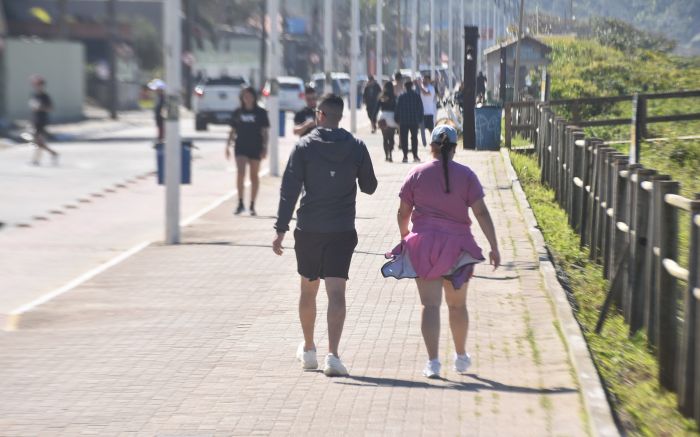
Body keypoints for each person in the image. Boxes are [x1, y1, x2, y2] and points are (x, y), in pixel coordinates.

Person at [273, 94, 377, 377]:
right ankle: (333, 355)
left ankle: (309, 350)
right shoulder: (356, 147)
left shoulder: (304, 146)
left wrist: (280, 230)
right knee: (336, 292)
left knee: (308, 290)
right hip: (341, 229)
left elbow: (289, 191)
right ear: (340, 116)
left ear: (319, 115)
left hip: (309, 229)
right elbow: (370, 186)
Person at [385, 124, 500, 378]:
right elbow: (480, 211)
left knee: (430, 305)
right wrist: (494, 245)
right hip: (458, 247)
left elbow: (403, 213)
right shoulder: (467, 175)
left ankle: (433, 363)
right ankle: (460, 357)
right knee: (457, 306)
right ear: (455, 149)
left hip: (424, 246)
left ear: (432, 147)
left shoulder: (416, 173)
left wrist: (406, 239)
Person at [226, 86, 270, 216]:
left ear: (254, 97)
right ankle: (240, 202)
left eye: (249, 95)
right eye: (244, 96)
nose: (247, 98)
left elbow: (265, 132)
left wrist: (265, 147)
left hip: (256, 146)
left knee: (254, 176)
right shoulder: (238, 112)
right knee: (240, 173)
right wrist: (227, 145)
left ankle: (252, 204)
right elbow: (232, 130)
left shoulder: (260, 112)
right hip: (241, 146)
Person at [29, 76, 59, 166]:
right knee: (38, 142)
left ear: (42, 85)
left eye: (38, 84)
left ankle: (36, 159)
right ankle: (52, 153)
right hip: (35, 120)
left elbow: (51, 108)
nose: (36, 86)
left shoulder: (45, 96)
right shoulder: (34, 95)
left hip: (42, 121)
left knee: (38, 141)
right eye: (35, 84)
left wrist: (41, 107)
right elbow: (33, 108)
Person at [394, 81, 424, 163]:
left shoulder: (401, 97)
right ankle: (415, 156)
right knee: (414, 138)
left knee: (404, 139)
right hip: (414, 120)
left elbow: (397, 109)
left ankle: (405, 156)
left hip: (403, 121)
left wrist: (396, 119)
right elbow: (420, 108)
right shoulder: (416, 96)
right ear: (412, 86)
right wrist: (420, 119)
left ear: (405, 87)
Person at [377, 82, 398, 162]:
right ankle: (391, 155)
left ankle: (386, 156)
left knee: (385, 138)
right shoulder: (394, 97)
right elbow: (397, 107)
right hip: (392, 117)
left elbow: (376, 108)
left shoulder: (381, 96)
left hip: (383, 117)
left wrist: (373, 120)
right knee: (391, 138)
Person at [418, 74, 437, 147]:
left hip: (429, 112)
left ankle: (434, 141)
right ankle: (424, 143)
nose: (424, 81)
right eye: (423, 79)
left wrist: (420, 86)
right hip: (421, 112)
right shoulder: (422, 88)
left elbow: (426, 93)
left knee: (430, 129)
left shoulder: (431, 88)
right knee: (421, 129)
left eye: (426, 79)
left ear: (429, 80)